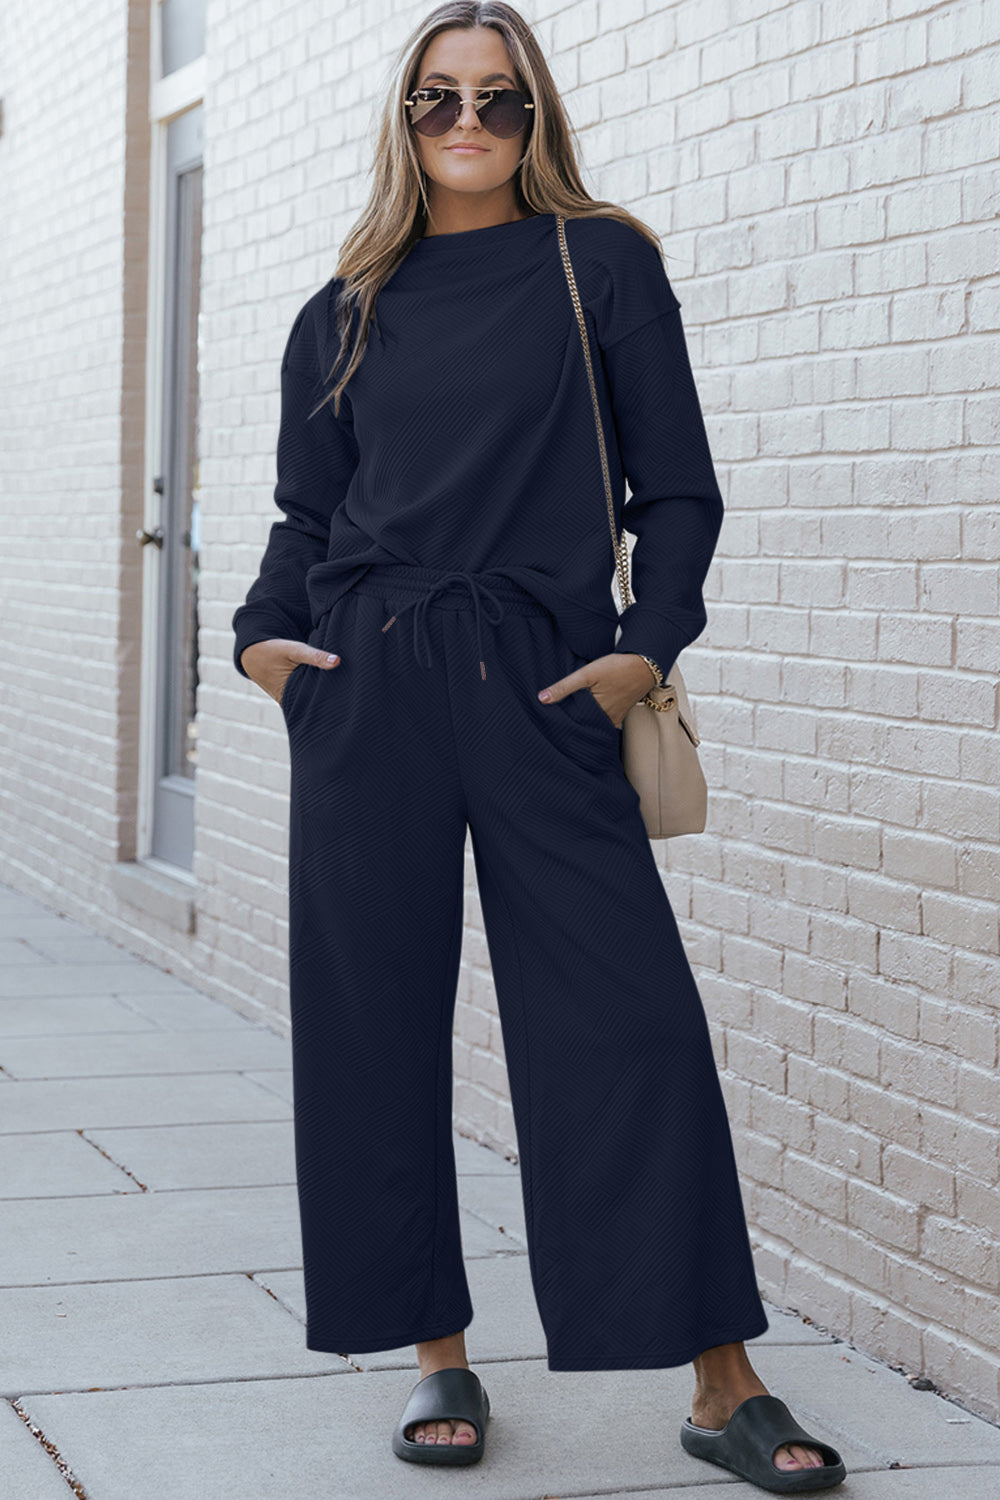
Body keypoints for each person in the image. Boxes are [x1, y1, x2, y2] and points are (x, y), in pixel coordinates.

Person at [232, 3, 847, 1492]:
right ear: (403, 114)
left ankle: (722, 1379)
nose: (468, 122)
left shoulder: (602, 265)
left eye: (498, 100)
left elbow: (679, 490)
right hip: (367, 683)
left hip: (544, 682)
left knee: (626, 1025)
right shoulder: (347, 305)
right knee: (373, 1028)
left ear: (536, 116)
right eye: (440, 97)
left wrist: (650, 640)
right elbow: (306, 520)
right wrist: (265, 644)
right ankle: (436, 1349)